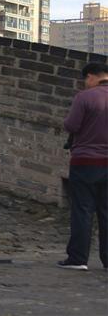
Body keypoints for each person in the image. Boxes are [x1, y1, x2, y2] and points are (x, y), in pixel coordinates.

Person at [59, 62, 108, 271]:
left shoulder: (85, 97)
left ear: (90, 77)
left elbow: (72, 125)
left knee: (82, 210)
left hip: (85, 161)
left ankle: (78, 258)